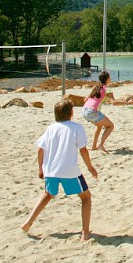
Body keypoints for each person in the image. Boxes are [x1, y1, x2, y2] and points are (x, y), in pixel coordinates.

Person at [21, 99, 98, 241]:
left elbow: (40, 149)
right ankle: (85, 233)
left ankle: (28, 222)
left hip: (51, 170)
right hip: (69, 171)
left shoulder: (51, 128)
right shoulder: (76, 128)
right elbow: (83, 150)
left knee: (47, 194)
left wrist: (41, 168)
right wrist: (90, 167)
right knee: (86, 197)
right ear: (71, 113)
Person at [82, 71, 115, 153]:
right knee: (110, 126)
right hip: (92, 112)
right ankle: (101, 145)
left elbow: (85, 100)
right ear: (107, 79)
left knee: (99, 126)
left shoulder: (96, 87)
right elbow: (114, 102)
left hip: (84, 110)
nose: (110, 79)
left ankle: (93, 146)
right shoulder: (107, 89)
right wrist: (128, 103)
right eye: (109, 77)